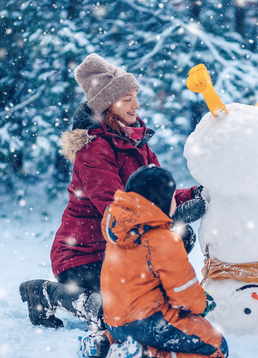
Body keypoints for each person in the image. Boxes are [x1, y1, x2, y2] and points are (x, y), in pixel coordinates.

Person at [19, 53, 206, 330]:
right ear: (108, 105)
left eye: (135, 97)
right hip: (84, 256)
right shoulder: (93, 149)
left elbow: (157, 196)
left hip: (121, 251)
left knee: (180, 236)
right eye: (127, 98)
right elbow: (115, 209)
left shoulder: (138, 142)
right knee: (116, 314)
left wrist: (195, 195)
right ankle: (45, 292)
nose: (137, 105)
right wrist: (174, 216)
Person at [77, 165, 227, 358]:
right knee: (217, 347)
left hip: (114, 322)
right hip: (149, 324)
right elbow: (185, 295)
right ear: (162, 202)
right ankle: (146, 355)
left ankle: (104, 342)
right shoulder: (163, 240)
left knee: (132, 322)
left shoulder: (117, 234)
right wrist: (201, 305)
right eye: (173, 196)